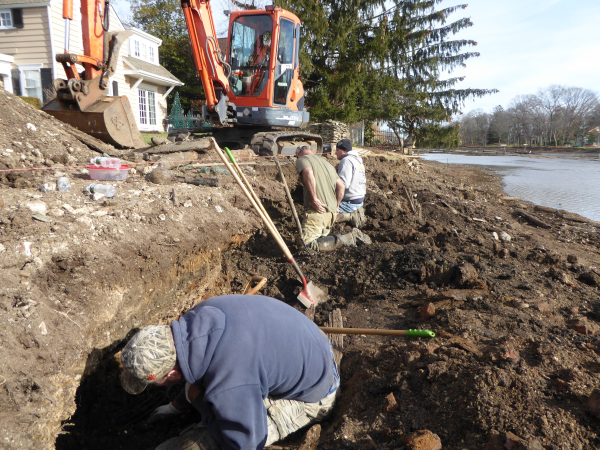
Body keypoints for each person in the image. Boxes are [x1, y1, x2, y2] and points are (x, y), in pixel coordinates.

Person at [120, 295, 340, 450]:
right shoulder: (201, 314)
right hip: (308, 346)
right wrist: (177, 405)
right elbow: (200, 367)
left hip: (315, 391)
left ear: (169, 375)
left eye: (154, 382)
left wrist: (200, 404)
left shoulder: (230, 381)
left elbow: (245, 444)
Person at [295, 145, 367, 251]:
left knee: (305, 245)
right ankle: (334, 239)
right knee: (320, 239)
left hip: (319, 211)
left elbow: (308, 172)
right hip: (332, 213)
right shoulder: (327, 163)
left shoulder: (302, 159)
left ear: (298, 155)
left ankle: (348, 238)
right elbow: (341, 186)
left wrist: (314, 199)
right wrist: (337, 206)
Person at [334, 139, 367, 228]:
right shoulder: (357, 160)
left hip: (350, 202)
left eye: (337, 150)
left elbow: (343, 185)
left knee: (325, 213)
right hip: (359, 199)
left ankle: (350, 216)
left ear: (344, 151)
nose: (335, 153)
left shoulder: (346, 161)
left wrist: (336, 206)